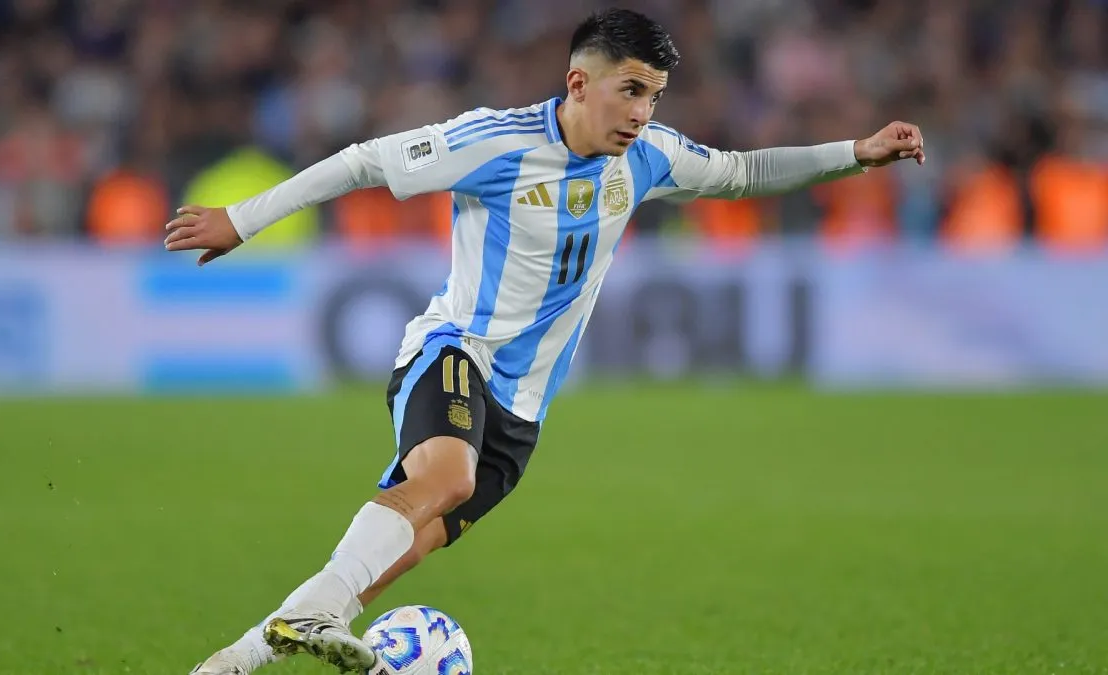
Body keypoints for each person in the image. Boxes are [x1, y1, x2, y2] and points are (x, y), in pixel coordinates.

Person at [165, 8, 926, 674]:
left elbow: (740, 171)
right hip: (454, 350)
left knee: (409, 544)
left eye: (654, 96)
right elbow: (365, 161)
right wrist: (245, 218)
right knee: (448, 480)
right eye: (630, 90)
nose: (642, 112)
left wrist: (855, 153)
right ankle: (311, 619)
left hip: (523, 408)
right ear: (577, 83)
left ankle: (241, 656)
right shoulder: (494, 143)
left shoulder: (649, 157)